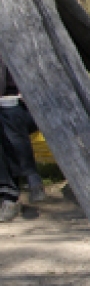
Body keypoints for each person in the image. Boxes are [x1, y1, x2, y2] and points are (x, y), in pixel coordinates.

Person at [0, 57, 45, 203]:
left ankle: (10, 193)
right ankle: (30, 178)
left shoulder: (21, 51)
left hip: (30, 111)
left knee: (10, 115)